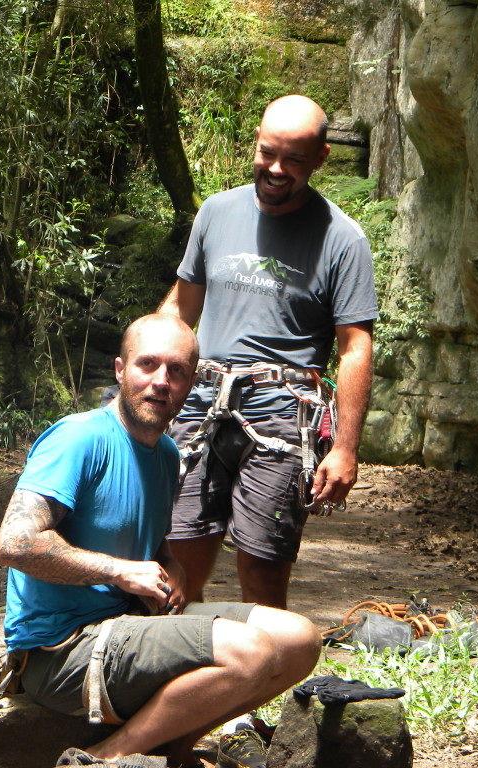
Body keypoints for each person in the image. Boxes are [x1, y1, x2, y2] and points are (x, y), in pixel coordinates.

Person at [0, 314, 320, 768]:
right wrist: (119, 571)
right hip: (62, 651)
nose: (161, 382)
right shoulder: (78, 438)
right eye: (147, 365)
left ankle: (173, 752)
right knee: (250, 652)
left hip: (132, 622)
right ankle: (104, 757)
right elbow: (14, 543)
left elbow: (152, 541)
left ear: (193, 381)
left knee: (299, 639)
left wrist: (176, 568)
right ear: (120, 369)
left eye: (177, 371)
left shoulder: (166, 453)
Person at [159, 94, 378, 610]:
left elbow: (354, 347)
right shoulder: (216, 212)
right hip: (200, 403)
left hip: (283, 414)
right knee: (175, 559)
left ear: (321, 158)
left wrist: (345, 447)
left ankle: (260, 680)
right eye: (267, 153)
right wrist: (143, 374)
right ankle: (169, 680)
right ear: (255, 139)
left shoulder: (342, 240)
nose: (276, 170)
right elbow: (180, 308)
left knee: (262, 570)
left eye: (294, 160)